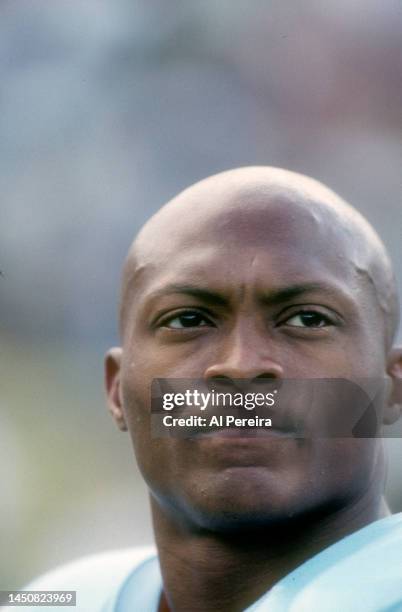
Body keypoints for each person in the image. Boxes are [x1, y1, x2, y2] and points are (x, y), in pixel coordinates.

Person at [16, 167, 402, 611]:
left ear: (392, 387)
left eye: (308, 319)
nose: (241, 366)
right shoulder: (54, 600)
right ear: (116, 389)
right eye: (188, 319)